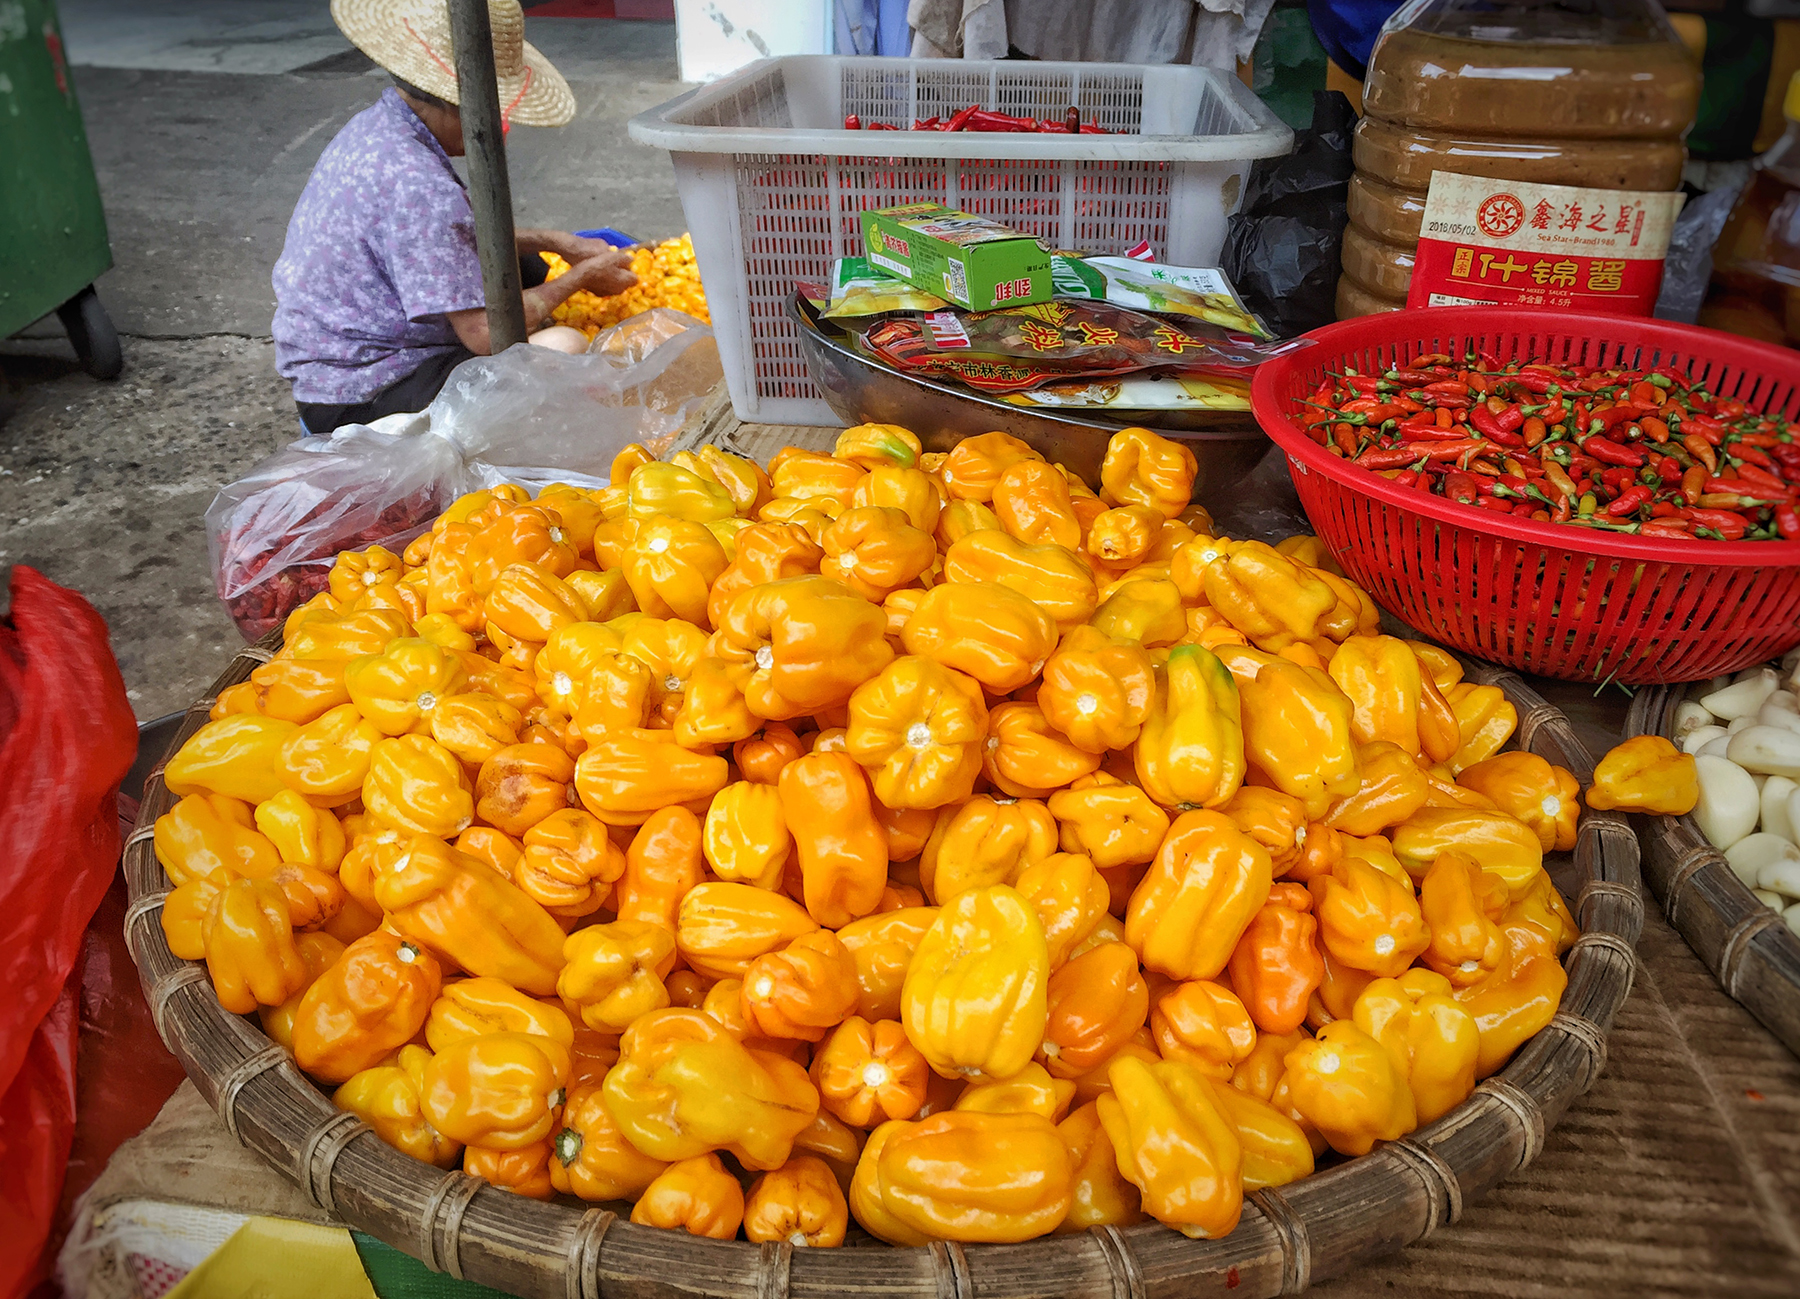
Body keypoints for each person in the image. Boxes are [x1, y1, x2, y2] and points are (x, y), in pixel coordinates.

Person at [272, 0, 635, 434]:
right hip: (360, 387)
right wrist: (580, 278)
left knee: (526, 264)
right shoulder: (421, 186)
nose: (503, 125)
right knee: (565, 344)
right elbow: (485, 334)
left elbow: (445, 236)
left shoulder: (377, 126)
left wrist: (557, 242)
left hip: (331, 353)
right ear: (454, 103)